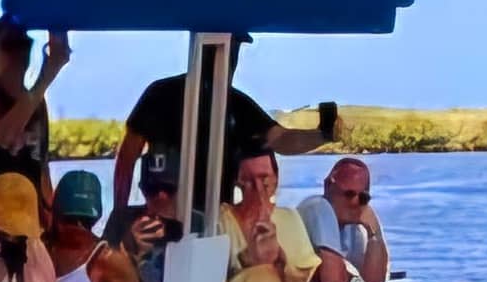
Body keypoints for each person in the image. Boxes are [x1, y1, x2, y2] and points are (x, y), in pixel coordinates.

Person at [115, 48, 334, 216]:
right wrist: (119, 214)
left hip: (215, 218)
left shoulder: (237, 104)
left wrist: (324, 134)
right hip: (163, 214)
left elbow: (280, 139)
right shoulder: (161, 95)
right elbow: (127, 158)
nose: (231, 58)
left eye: (233, 49)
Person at [0, 18, 69, 236]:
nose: (18, 53)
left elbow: (41, 165)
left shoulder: (36, 103)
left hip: (26, 223)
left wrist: (51, 218)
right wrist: (47, 75)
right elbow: (5, 136)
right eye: (9, 45)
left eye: (25, 44)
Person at [219, 146, 348, 282]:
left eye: (264, 180)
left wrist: (280, 261)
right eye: (249, 182)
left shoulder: (289, 218)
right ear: (238, 183)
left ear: (276, 180)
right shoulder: (221, 222)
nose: (258, 189)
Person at [47, 170, 149, 282]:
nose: (77, 228)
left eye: (83, 222)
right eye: (69, 221)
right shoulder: (40, 250)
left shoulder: (107, 259)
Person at [307, 157, 393, 282]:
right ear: (328, 187)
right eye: (349, 194)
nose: (355, 202)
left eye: (363, 197)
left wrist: (374, 233)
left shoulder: (357, 228)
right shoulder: (318, 208)